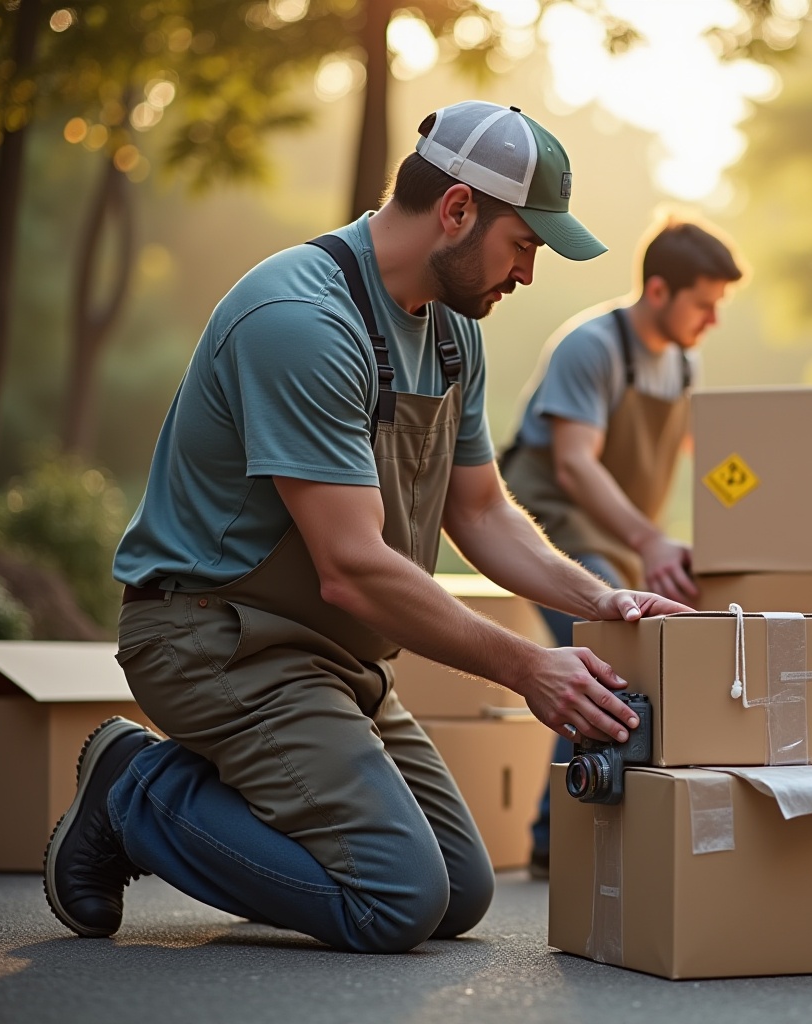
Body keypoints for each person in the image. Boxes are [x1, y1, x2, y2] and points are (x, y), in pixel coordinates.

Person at [42, 100, 689, 954]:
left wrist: (604, 600)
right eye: (524, 244)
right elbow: (350, 566)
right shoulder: (301, 322)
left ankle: (229, 788)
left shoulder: (455, 331)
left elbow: (483, 512)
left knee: (458, 890)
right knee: (395, 899)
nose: (528, 273)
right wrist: (529, 668)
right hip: (214, 638)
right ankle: (137, 791)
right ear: (458, 209)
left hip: (335, 658)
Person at [499, 214, 744, 875]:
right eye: (705, 304)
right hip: (554, 525)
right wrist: (652, 540)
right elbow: (576, 465)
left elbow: (712, 457)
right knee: (609, 656)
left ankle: (575, 834)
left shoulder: (683, 361)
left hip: (621, 540)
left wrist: (753, 511)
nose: (713, 320)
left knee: (623, 661)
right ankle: (559, 838)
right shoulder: (592, 347)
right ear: (659, 291)